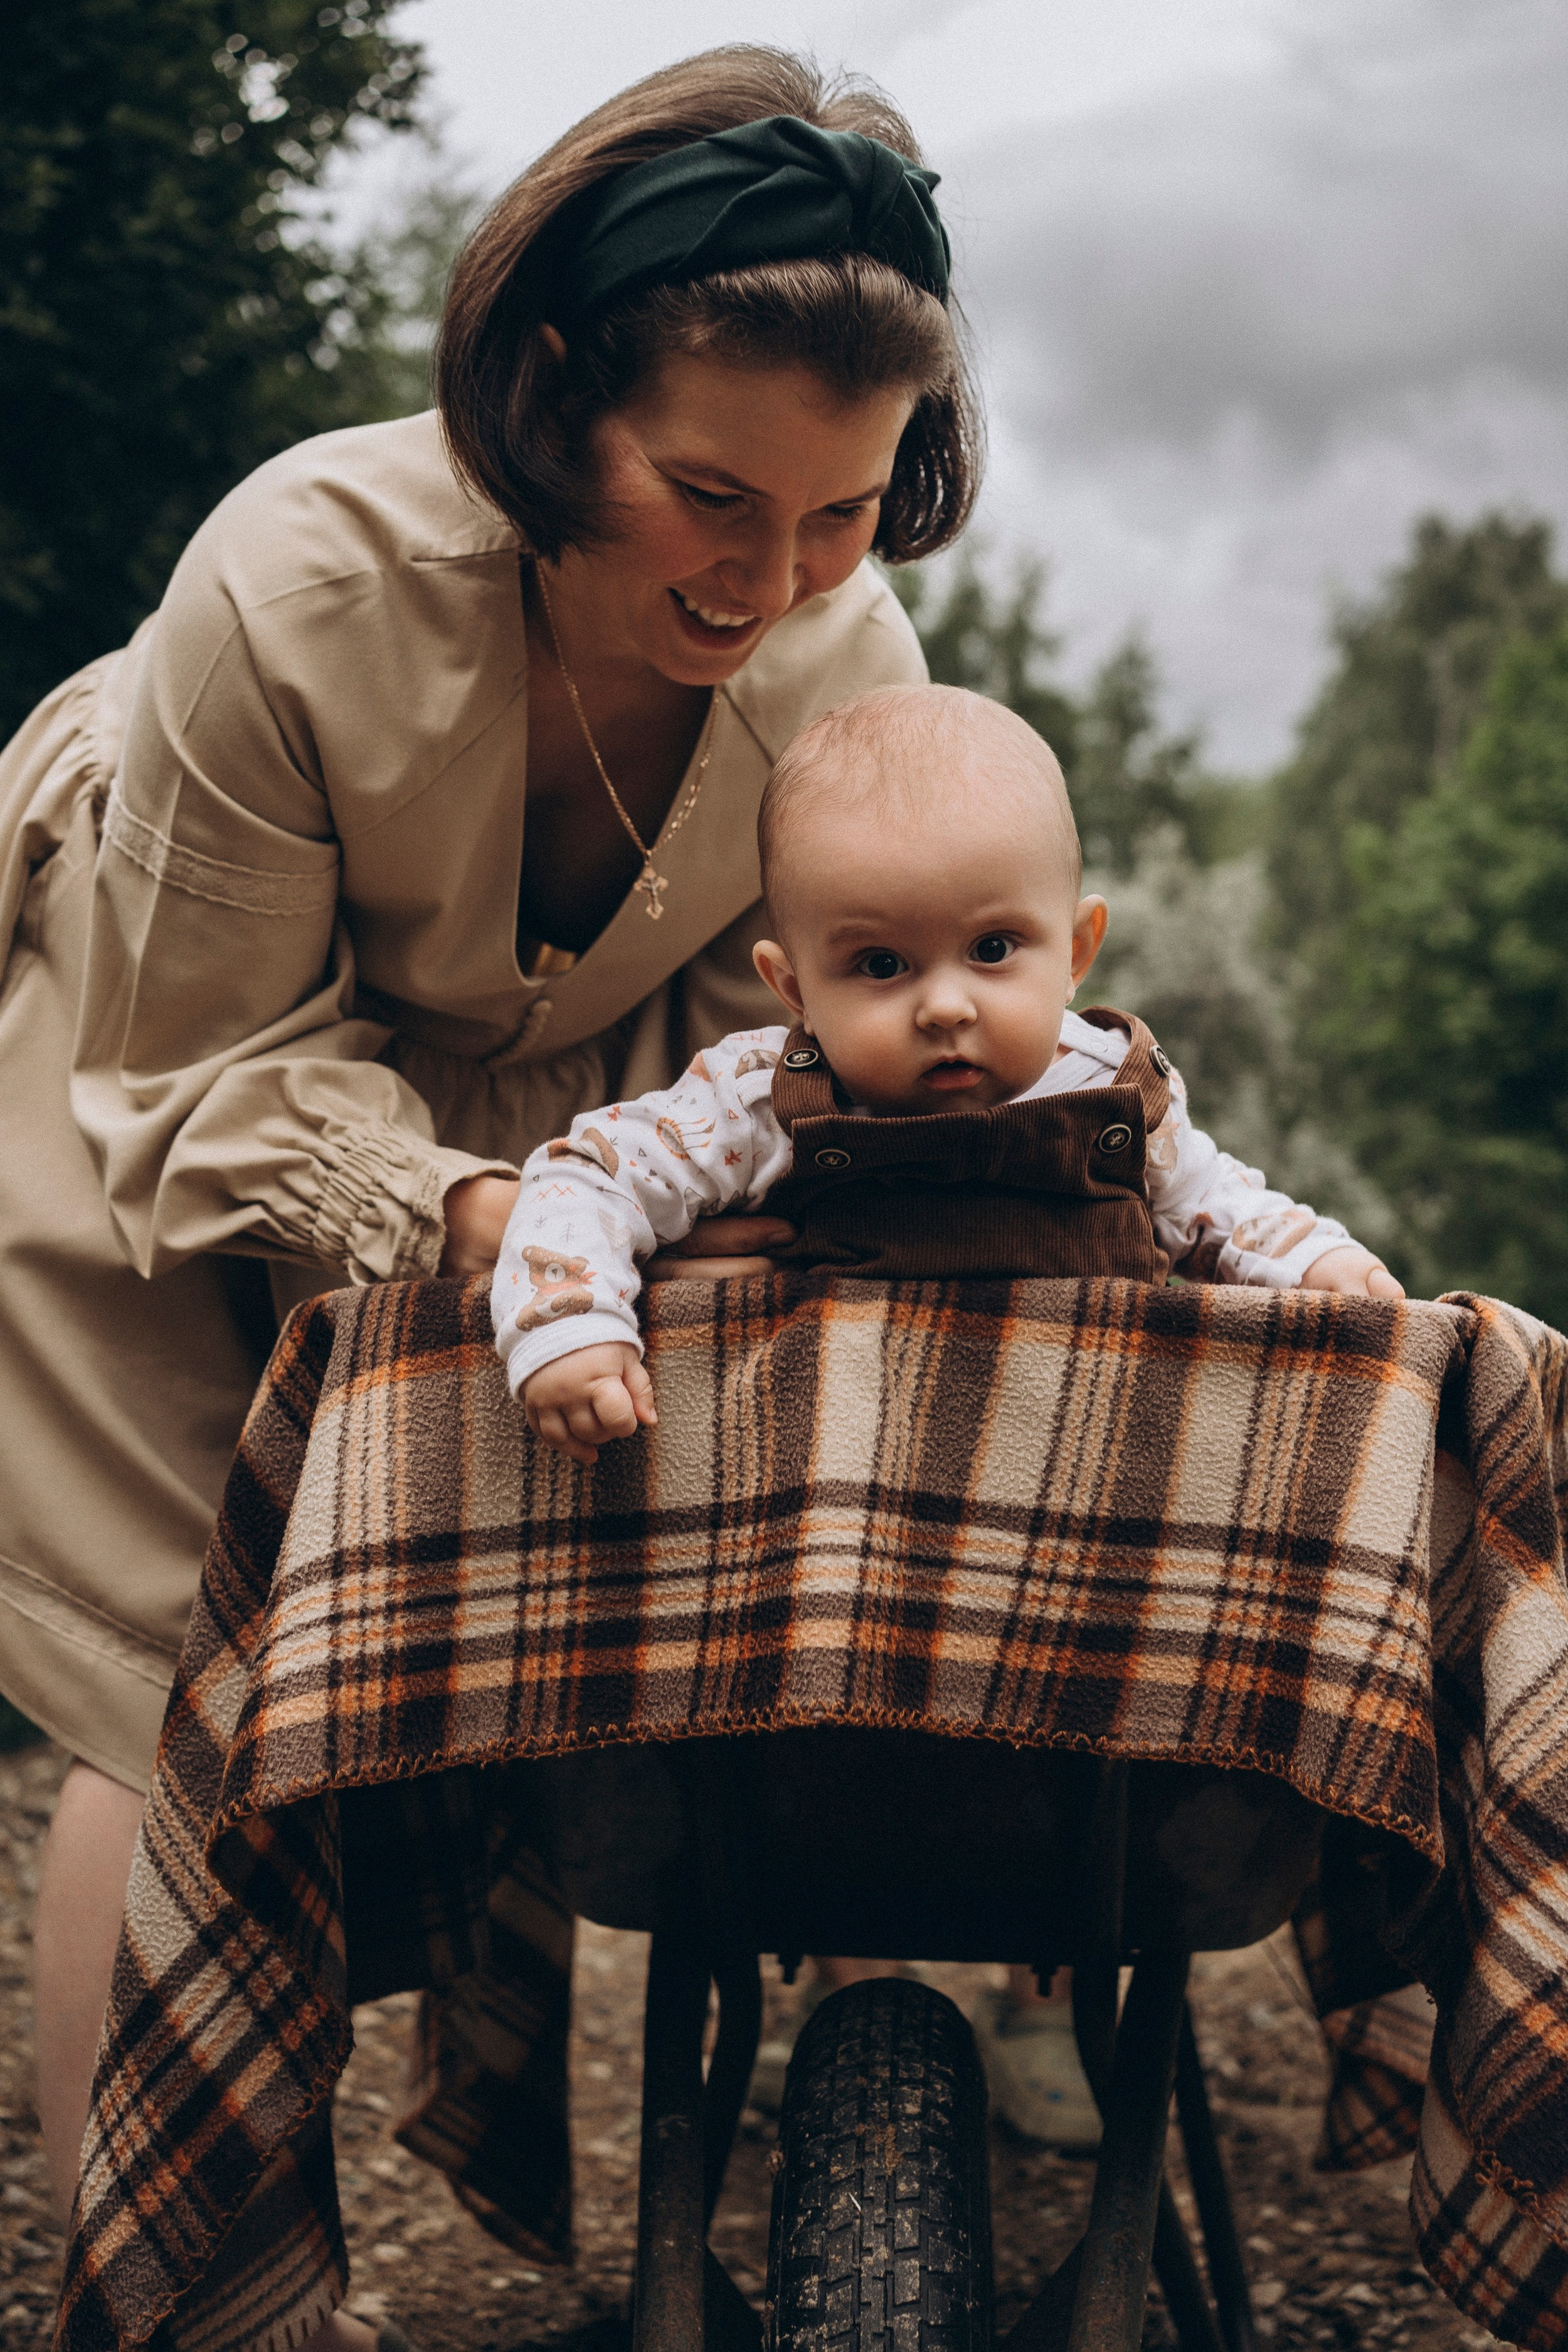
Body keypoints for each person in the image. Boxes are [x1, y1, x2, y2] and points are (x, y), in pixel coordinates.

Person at [0, 46, 981, 2336]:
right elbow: (199, 1061)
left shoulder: (845, 646)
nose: (773, 579)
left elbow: (858, 1011)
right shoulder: (300, 575)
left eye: (842, 512)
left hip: (561, 1106)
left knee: (601, 1583)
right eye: (713, 495)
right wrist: (470, 1222)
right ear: (551, 395)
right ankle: (171, 2300)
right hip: (172, 1047)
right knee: (177, 1692)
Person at [491, 682, 1404, 2151]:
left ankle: (1053, 1990)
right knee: (835, 1745)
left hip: (1085, 1571)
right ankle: (846, 1967)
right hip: (836, 1589)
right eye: (877, 964)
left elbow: (1231, 1219)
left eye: (993, 950)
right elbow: (585, 1173)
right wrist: (569, 1325)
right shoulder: (755, 1099)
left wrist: (1338, 1286)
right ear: (790, 988)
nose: (943, 1002)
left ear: (1076, 945)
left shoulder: (1114, 1098)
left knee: (1102, 1723)